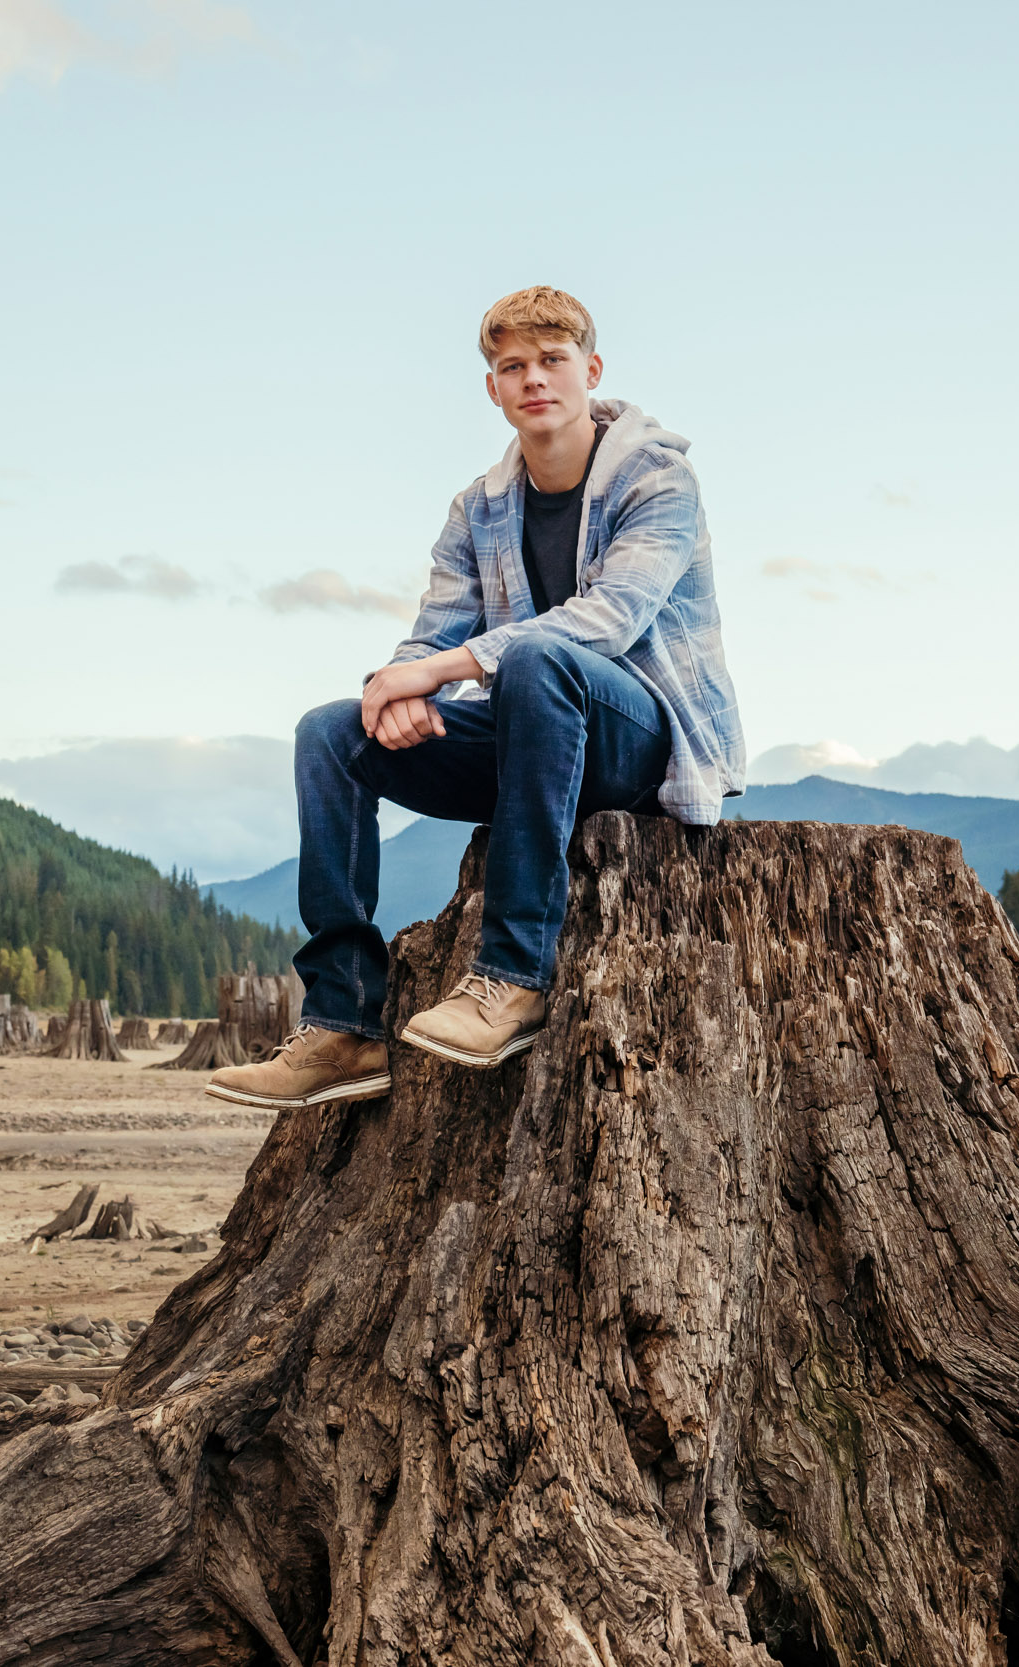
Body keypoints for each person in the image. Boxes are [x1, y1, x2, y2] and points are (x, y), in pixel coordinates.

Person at [206, 286, 744, 1109]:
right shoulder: (479, 508)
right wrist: (397, 690)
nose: (534, 379)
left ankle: (513, 977)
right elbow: (432, 635)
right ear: (492, 388)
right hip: (524, 735)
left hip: (637, 738)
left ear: (590, 371)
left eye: (553, 361)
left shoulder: (659, 480)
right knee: (329, 733)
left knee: (537, 655)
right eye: (512, 366)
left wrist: (445, 668)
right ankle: (343, 1025)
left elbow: (610, 617)